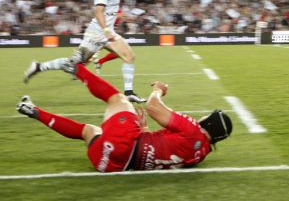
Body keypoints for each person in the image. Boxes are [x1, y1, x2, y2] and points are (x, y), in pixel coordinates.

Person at [16, 61, 232, 172]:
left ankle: (76, 68)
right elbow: (167, 153)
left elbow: (152, 107)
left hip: (125, 146)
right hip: (111, 165)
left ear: (210, 122)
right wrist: (147, 134)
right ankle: (34, 111)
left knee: (118, 100)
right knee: (88, 131)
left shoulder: (193, 129)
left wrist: (159, 90)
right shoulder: (201, 154)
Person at [23, 0, 167, 103]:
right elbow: (98, 11)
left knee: (129, 56)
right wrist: (105, 30)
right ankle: (38, 66)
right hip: (97, 33)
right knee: (72, 64)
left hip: (108, 32)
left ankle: (128, 93)